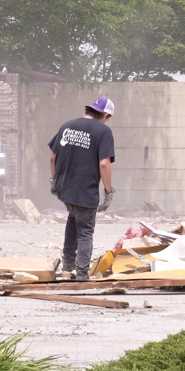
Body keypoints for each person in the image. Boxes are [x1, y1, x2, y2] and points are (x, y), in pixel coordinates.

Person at [48, 97, 116, 280]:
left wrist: (55, 181)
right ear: (106, 115)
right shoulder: (103, 131)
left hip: (65, 189)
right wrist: (108, 191)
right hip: (85, 190)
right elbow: (104, 164)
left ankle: (67, 265)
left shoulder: (67, 125)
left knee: (73, 219)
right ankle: (82, 274)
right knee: (85, 230)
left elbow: (53, 157)